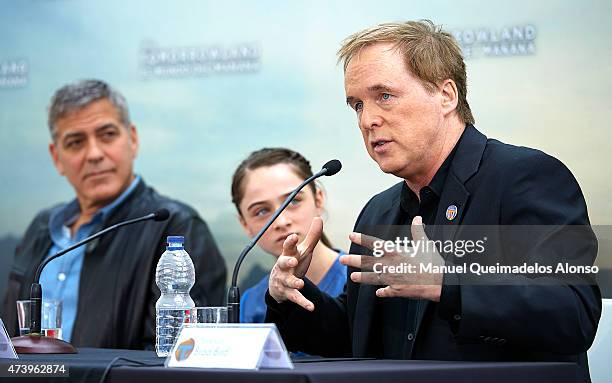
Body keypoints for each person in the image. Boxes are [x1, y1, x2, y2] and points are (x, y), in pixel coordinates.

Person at [264, 20, 601, 381]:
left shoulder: (524, 178)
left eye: (385, 96)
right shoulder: (379, 211)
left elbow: (574, 312)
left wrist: (447, 283)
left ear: (446, 95)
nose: (368, 119)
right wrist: (290, 296)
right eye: (357, 105)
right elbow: (357, 340)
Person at [1, 79, 227, 349]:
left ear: (133, 139)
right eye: (75, 142)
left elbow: (180, 354)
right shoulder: (41, 228)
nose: (94, 154)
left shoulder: (175, 227)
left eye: (107, 135)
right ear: (56, 158)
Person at [231, 148, 346, 323]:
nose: (281, 221)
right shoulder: (251, 302)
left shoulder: (362, 279)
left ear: (319, 199)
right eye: (261, 211)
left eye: (293, 201)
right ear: (245, 224)